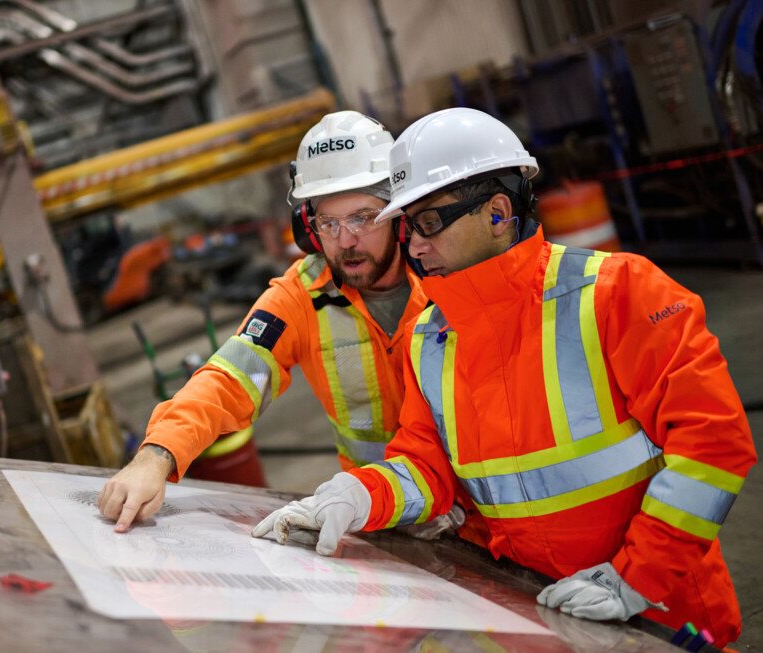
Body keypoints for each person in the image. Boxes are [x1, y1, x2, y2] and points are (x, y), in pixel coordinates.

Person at [252, 107, 756, 646]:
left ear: (497, 212)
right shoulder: (431, 337)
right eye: (406, 226)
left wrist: (636, 579)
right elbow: (426, 466)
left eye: (428, 222)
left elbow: (713, 444)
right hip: (540, 619)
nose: (414, 246)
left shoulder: (618, 293)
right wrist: (358, 495)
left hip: (664, 617)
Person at [99, 110, 445, 533]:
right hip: (380, 516)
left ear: (397, 211)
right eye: (328, 223)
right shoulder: (302, 297)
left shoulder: (448, 269)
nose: (345, 241)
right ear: (308, 228)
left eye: (362, 217)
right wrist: (157, 455)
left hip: (479, 514)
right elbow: (231, 379)